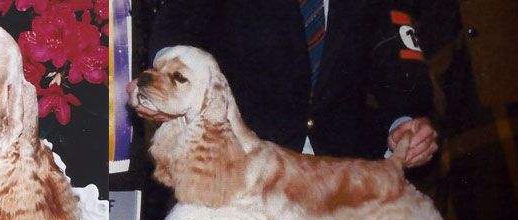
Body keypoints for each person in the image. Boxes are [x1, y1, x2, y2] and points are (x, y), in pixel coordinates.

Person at [129, 0, 438, 167]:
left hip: (346, 173)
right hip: (242, 165)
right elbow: (177, 26)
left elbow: (396, 55)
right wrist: (165, 82)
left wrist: (407, 121)